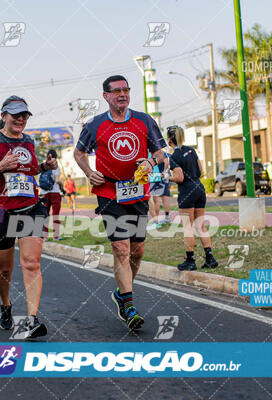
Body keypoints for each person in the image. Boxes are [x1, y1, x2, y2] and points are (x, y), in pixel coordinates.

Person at [74, 75, 166, 331]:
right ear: (106, 96)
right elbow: (78, 153)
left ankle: (120, 293)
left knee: (137, 252)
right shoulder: (95, 125)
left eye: (126, 89)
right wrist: (87, 171)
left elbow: (160, 152)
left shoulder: (145, 121)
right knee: (122, 249)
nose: (122, 94)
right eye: (116, 91)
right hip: (108, 192)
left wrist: (151, 162)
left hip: (138, 191)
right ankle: (129, 305)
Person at [0, 95, 57, 339]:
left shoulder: (29, 141)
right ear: (3, 116)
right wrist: (1, 166)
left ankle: (32, 319)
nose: (20, 119)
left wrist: (44, 168)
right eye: (15, 114)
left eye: (24, 115)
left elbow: (28, 171)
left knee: (31, 263)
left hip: (30, 207)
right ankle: (6, 305)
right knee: (3, 269)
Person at [166, 126, 218, 271]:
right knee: (200, 225)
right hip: (199, 187)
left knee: (188, 227)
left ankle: (190, 260)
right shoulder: (191, 150)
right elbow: (200, 170)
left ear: (169, 140)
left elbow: (179, 177)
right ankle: (210, 258)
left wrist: (167, 177)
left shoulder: (173, 157)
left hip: (187, 190)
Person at [39, 149, 63, 241]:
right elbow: (57, 180)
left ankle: (45, 235)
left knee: (45, 214)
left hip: (44, 193)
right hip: (55, 192)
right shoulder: (55, 165)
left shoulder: (43, 165)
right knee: (56, 214)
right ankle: (55, 235)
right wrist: (62, 186)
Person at [148, 150, 171, 229]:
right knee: (156, 200)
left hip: (150, 178)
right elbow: (166, 161)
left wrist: (164, 172)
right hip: (157, 176)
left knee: (149, 201)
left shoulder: (145, 152)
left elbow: (166, 162)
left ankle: (155, 221)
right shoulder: (157, 153)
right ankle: (156, 221)